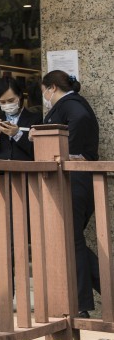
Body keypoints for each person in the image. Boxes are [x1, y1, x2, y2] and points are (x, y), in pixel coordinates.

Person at [40, 70, 100, 317]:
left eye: (43, 90)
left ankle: (81, 306)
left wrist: (67, 150)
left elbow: (80, 119)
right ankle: (89, 299)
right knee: (72, 240)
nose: (43, 95)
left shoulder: (71, 104)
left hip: (74, 182)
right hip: (77, 183)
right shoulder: (72, 103)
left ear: (52, 87)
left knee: (73, 242)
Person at [0, 76, 39, 160]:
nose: (7, 104)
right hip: (0, 172)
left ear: (20, 96)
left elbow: (39, 151)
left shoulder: (35, 119)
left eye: (11, 101)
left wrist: (17, 134)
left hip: (25, 171)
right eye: (2, 102)